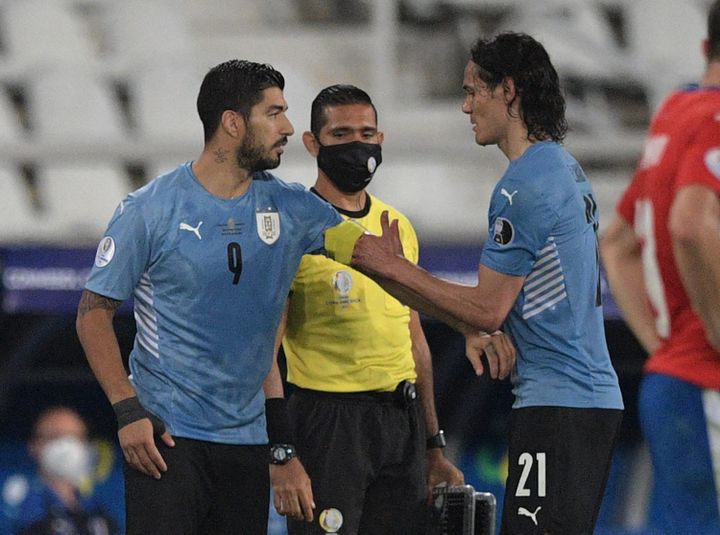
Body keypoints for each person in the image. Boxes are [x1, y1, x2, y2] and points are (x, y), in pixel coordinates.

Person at [328, 33, 624, 534]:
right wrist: (396, 275)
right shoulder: (562, 168)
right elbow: (485, 314)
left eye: (473, 91)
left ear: (507, 90)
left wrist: (393, 266)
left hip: (558, 405)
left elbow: (487, 309)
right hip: (580, 402)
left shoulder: (523, 185)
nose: (465, 107)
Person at [75, 59, 343, 535]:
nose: (287, 127)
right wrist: (127, 408)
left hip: (247, 442)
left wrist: (474, 316)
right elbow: (93, 314)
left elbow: (378, 260)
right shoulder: (150, 209)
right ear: (233, 123)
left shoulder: (292, 207)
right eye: (275, 112)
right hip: (168, 439)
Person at [267, 84, 514, 535]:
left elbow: (413, 337)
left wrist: (433, 445)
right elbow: (264, 351)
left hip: (401, 423)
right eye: (340, 135)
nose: (357, 145)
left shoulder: (396, 225)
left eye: (366, 132)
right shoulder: (293, 230)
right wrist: (281, 452)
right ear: (311, 143)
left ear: (381, 140)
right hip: (328, 426)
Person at [599, 2, 720, 531]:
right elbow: (690, 225)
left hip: (674, 379)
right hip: (707, 382)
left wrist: (663, 345)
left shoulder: (677, 111)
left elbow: (616, 243)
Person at [14, 406, 118, 535]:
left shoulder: (97, 508)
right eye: (56, 436)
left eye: (75, 437)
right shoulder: (18, 504)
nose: (67, 446)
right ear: (34, 446)